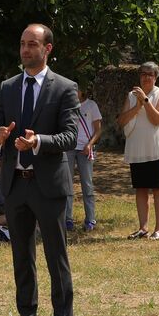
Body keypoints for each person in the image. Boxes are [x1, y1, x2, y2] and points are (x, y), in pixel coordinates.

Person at [0, 23, 79, 316]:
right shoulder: (8, 87)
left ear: (47, 49)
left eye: (32, 44)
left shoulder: (64, 88)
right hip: (15, 185)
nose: (25, 49)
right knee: (22, 258)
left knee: (56, 257)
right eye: (23, 44)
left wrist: (38, 141)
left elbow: (71, 137)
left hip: (48, 185)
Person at [116, 62, 159, 239]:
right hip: (137, 148)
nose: (146, 77)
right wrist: (137, 106)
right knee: (140, 189)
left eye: (150, 74)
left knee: (158, 189)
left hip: (157, 149)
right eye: (143, 74)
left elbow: (157, 119)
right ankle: (143, 228)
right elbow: (121, 121)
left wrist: (146, 101)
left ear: (155, 77)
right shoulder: (131, 95)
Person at [65, 87, 103, 230]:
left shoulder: (91, 105)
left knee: (87, 184)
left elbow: (98, 130)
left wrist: (89, 144)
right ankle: (67, 219)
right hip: (69, 148)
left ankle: (90, 219)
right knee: (67, 184)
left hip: (85, 149)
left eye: (77, 89)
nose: (74, 92)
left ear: (82, 90)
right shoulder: (67, 105)